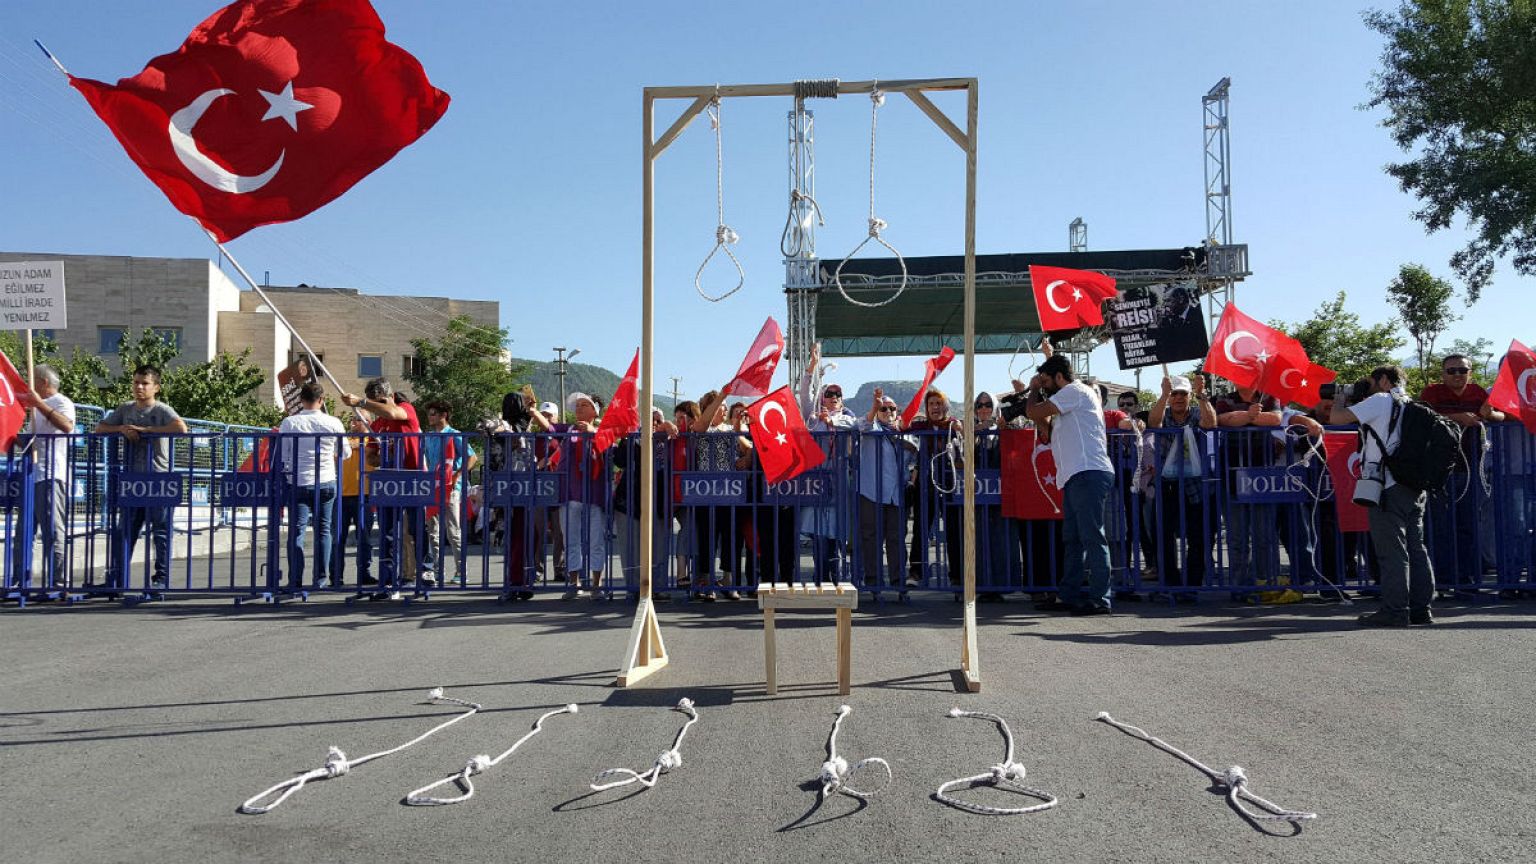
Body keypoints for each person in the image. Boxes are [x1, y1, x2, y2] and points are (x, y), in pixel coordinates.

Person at [1331, 364, 1435, 627]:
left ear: (1385, 380)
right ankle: (1421, 609)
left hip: (1388, 485)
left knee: (1392, 551)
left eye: (1371, 382)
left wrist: (1341, 397)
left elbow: (1337, 419)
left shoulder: (1381, 400)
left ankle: (1395, 610)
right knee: (1416, 548)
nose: (1368, 388)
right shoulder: (1411, 403)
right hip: (1414, 485)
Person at [1024, 354, 1116, 615]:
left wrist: (1032, 391)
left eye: (1045, 381)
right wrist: (1036, 399)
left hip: (1088, 473)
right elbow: (1047, 430)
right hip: (1076, 476)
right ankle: (1069, 595)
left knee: (1091, 537)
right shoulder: (1067, 402)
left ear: (1059, 377)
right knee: (1073, 540)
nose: (1043, 386)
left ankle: (1100, 599)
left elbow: (1032, 411)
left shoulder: (1075, 391)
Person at [97, 364, 189, 592]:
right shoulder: (126, 408)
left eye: (145, 383)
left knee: (160, 530)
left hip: (158, 479)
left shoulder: (162, 410)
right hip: (132, 481)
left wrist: (146, 430)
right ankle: (117, 577)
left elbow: (181, 428)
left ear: (156, 387)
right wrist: (122, 428)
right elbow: (99, 428)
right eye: (136, 382)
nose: (139, 387)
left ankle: (161, 578)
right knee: (125, 530)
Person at [1419, 353, 1504, 596]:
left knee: (1469, 525)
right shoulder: (1431, 394)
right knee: (1441, 526)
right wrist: (1457, 418)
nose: (1457, 375)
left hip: (1471, 468)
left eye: (1462, 370)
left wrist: (1489, 415)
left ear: (1470, 372)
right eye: (1452, 371)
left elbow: (1500, 416)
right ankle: (1443, 581)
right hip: (1439, 470)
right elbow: (1423, 419)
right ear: (1443, 374)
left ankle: (1469, 580)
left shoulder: (1478, 392)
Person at [341, 377, 422, 597]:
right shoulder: (376, 425)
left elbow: (395, 414)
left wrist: (360, 403)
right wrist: (384, 454)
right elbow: (371, 457)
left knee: (415, 529)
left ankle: (425, 575)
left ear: (388, 397)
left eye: (378, 402)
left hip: (412, 479)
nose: (376, 407)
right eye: (372, 402)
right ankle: (387, 583)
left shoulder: (405, 409)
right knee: (387, 533)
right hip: (387, 482)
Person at [1146, 374, 1216, 602]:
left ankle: (1192, 585)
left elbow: (1210, 423)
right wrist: (1163, 395)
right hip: (1167, 486)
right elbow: (1153, 423)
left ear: (1189, 397)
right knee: (1163, 536)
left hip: (1196, 485)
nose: (1177, 398)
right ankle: (1171, 584)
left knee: (1199, 536)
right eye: (1174, 394)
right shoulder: (1164, 413)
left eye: (1182, 394)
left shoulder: (1196, 413)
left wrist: (1202, 395)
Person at [277, 382, 349, 590]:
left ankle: (295, 580)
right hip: (326, 480)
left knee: (297, 531)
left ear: (301, 400)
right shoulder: (333, 422)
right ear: (322, 400)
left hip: (298, 482)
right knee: (324, 531)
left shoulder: (289, 423)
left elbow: (283, 455)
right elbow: (345, 453)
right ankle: (320, 579)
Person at [796, 343, 856, 583]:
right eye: (829, 394)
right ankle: (820, 576)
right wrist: (811, 366)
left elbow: (854, 428)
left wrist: (832, 422)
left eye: (837, 395)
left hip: (840, 480)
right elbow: (803, 393)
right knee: (819, 530)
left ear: (842, 401)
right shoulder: (812, 417)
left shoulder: (848, 419)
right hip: (817, 480)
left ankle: (837, 576)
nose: (833, 398)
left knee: (838, 530)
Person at [15, 365, 76, 589]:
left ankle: (59, 581)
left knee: (52, 530)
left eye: (30, 379)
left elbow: (67, 426)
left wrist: (38, 404)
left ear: (44, 383)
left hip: (52, 474)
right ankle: (20, 580)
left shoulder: (62, 402)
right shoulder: (33, 408)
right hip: (32, 474)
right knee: (23, 532)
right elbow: (31, 440)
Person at [856, 391, 912, 599]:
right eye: (884, 408)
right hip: (871, 492)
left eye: (892, 408)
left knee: (896, 539)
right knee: (871, 539)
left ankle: (899, 583)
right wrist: (873, 408)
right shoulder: (871, 428)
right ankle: (874, 584)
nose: (888, 411)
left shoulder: (904, 432)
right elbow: (862, 425)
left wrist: (905, 438)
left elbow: (914, 454)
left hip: (896, 494)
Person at [907, 388, 963, 589]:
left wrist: (962, 430)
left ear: (945, 406)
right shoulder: (921, 425)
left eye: (938, 403)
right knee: (921, 528)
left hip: (950, 482)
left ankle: (957, 574)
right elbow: (902, 427)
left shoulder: (954, 425)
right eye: (931, 404)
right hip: (926, 483)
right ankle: (916, 572)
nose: (935, 407)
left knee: (953, 530)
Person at [421, 401, 477, 587]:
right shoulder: (428, 437)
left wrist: (457, 475)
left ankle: (461, 571)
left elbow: (472, 457)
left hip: (451, 488)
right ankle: (437, 570)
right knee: (433, 531)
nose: (430, 417)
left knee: (453, 531)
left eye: (433, 413)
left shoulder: (454, 435)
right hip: (432, 486)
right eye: (429, 414)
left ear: (444, 415)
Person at [332, 413, 373, 588]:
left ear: (368, 422)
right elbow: (337, 449)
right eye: (353, 419)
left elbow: (356, 446)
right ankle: (335, 576)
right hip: (340, 495)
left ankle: (364, 574)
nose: (353, 422)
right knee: (338, 538)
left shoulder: (371, 440)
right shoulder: (344, 439)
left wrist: (351, 444)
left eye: (358, 419)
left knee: (364, 538)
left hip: (364, 495)